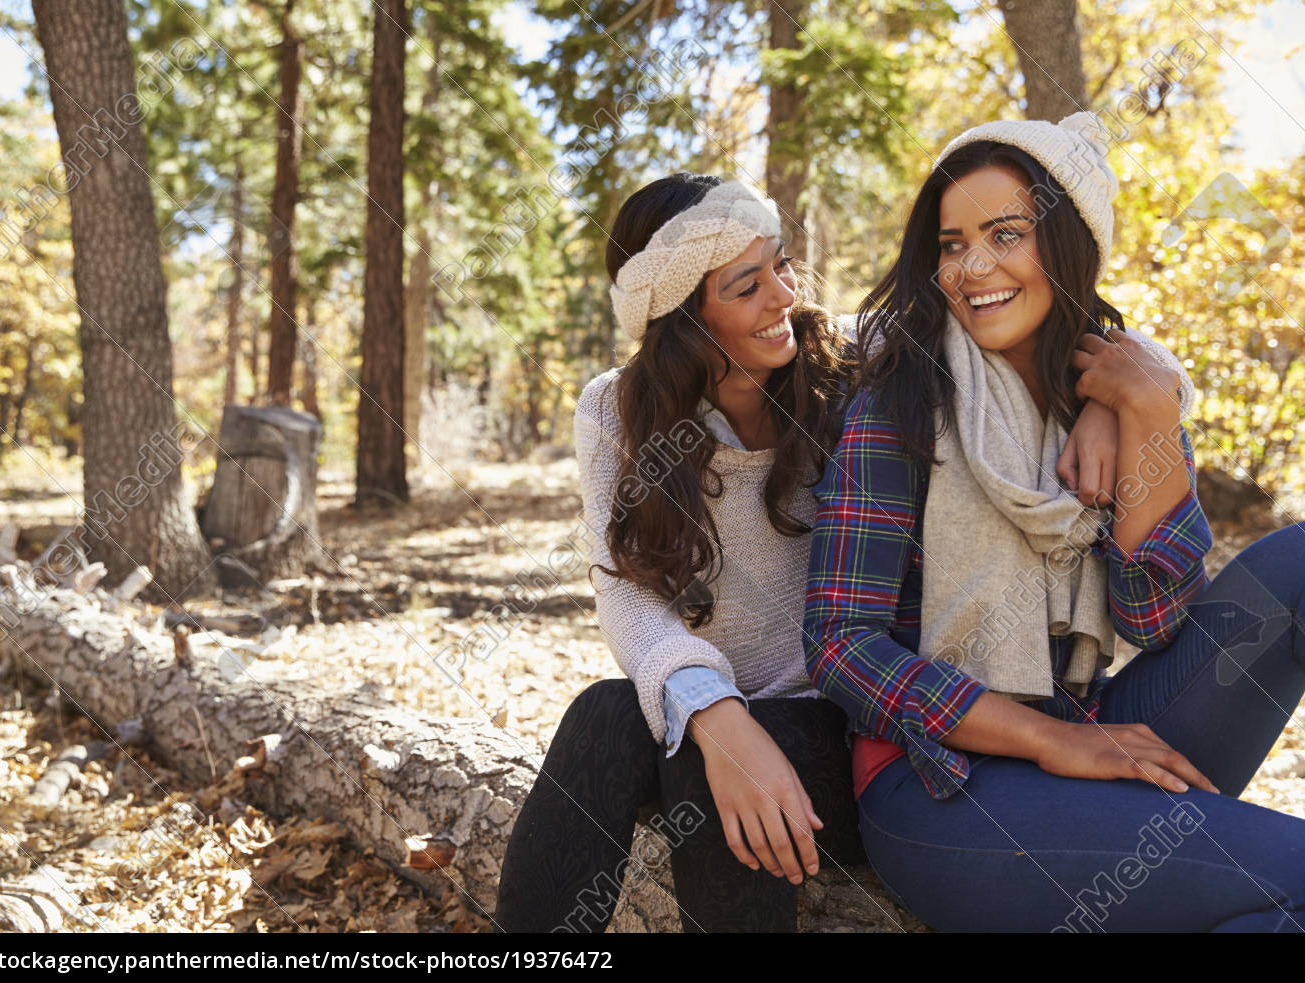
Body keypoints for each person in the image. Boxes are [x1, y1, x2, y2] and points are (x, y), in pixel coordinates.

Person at [494, 170, 1194, 932]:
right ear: (680, 317)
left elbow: (1034, 324)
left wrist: (1109, 403)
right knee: (604, 712)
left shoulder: (854, 358)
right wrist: (722, 717)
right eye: (745, 284)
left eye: (781, 263)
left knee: (695, 758)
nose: (783, 295)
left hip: (851, 717)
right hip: (717, 708)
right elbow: (625, 592)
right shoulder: (613, 409)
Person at [804, 111, 1305, 932]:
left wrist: (1144, 408)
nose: (974, 267)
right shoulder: (898, 403)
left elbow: (1156, 615)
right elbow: (838, 641)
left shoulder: (1124, 387)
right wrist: (1046, 739)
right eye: (952, 242)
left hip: (1096, 728)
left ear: (1070, 244)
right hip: (941, 783)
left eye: (1006, 234)